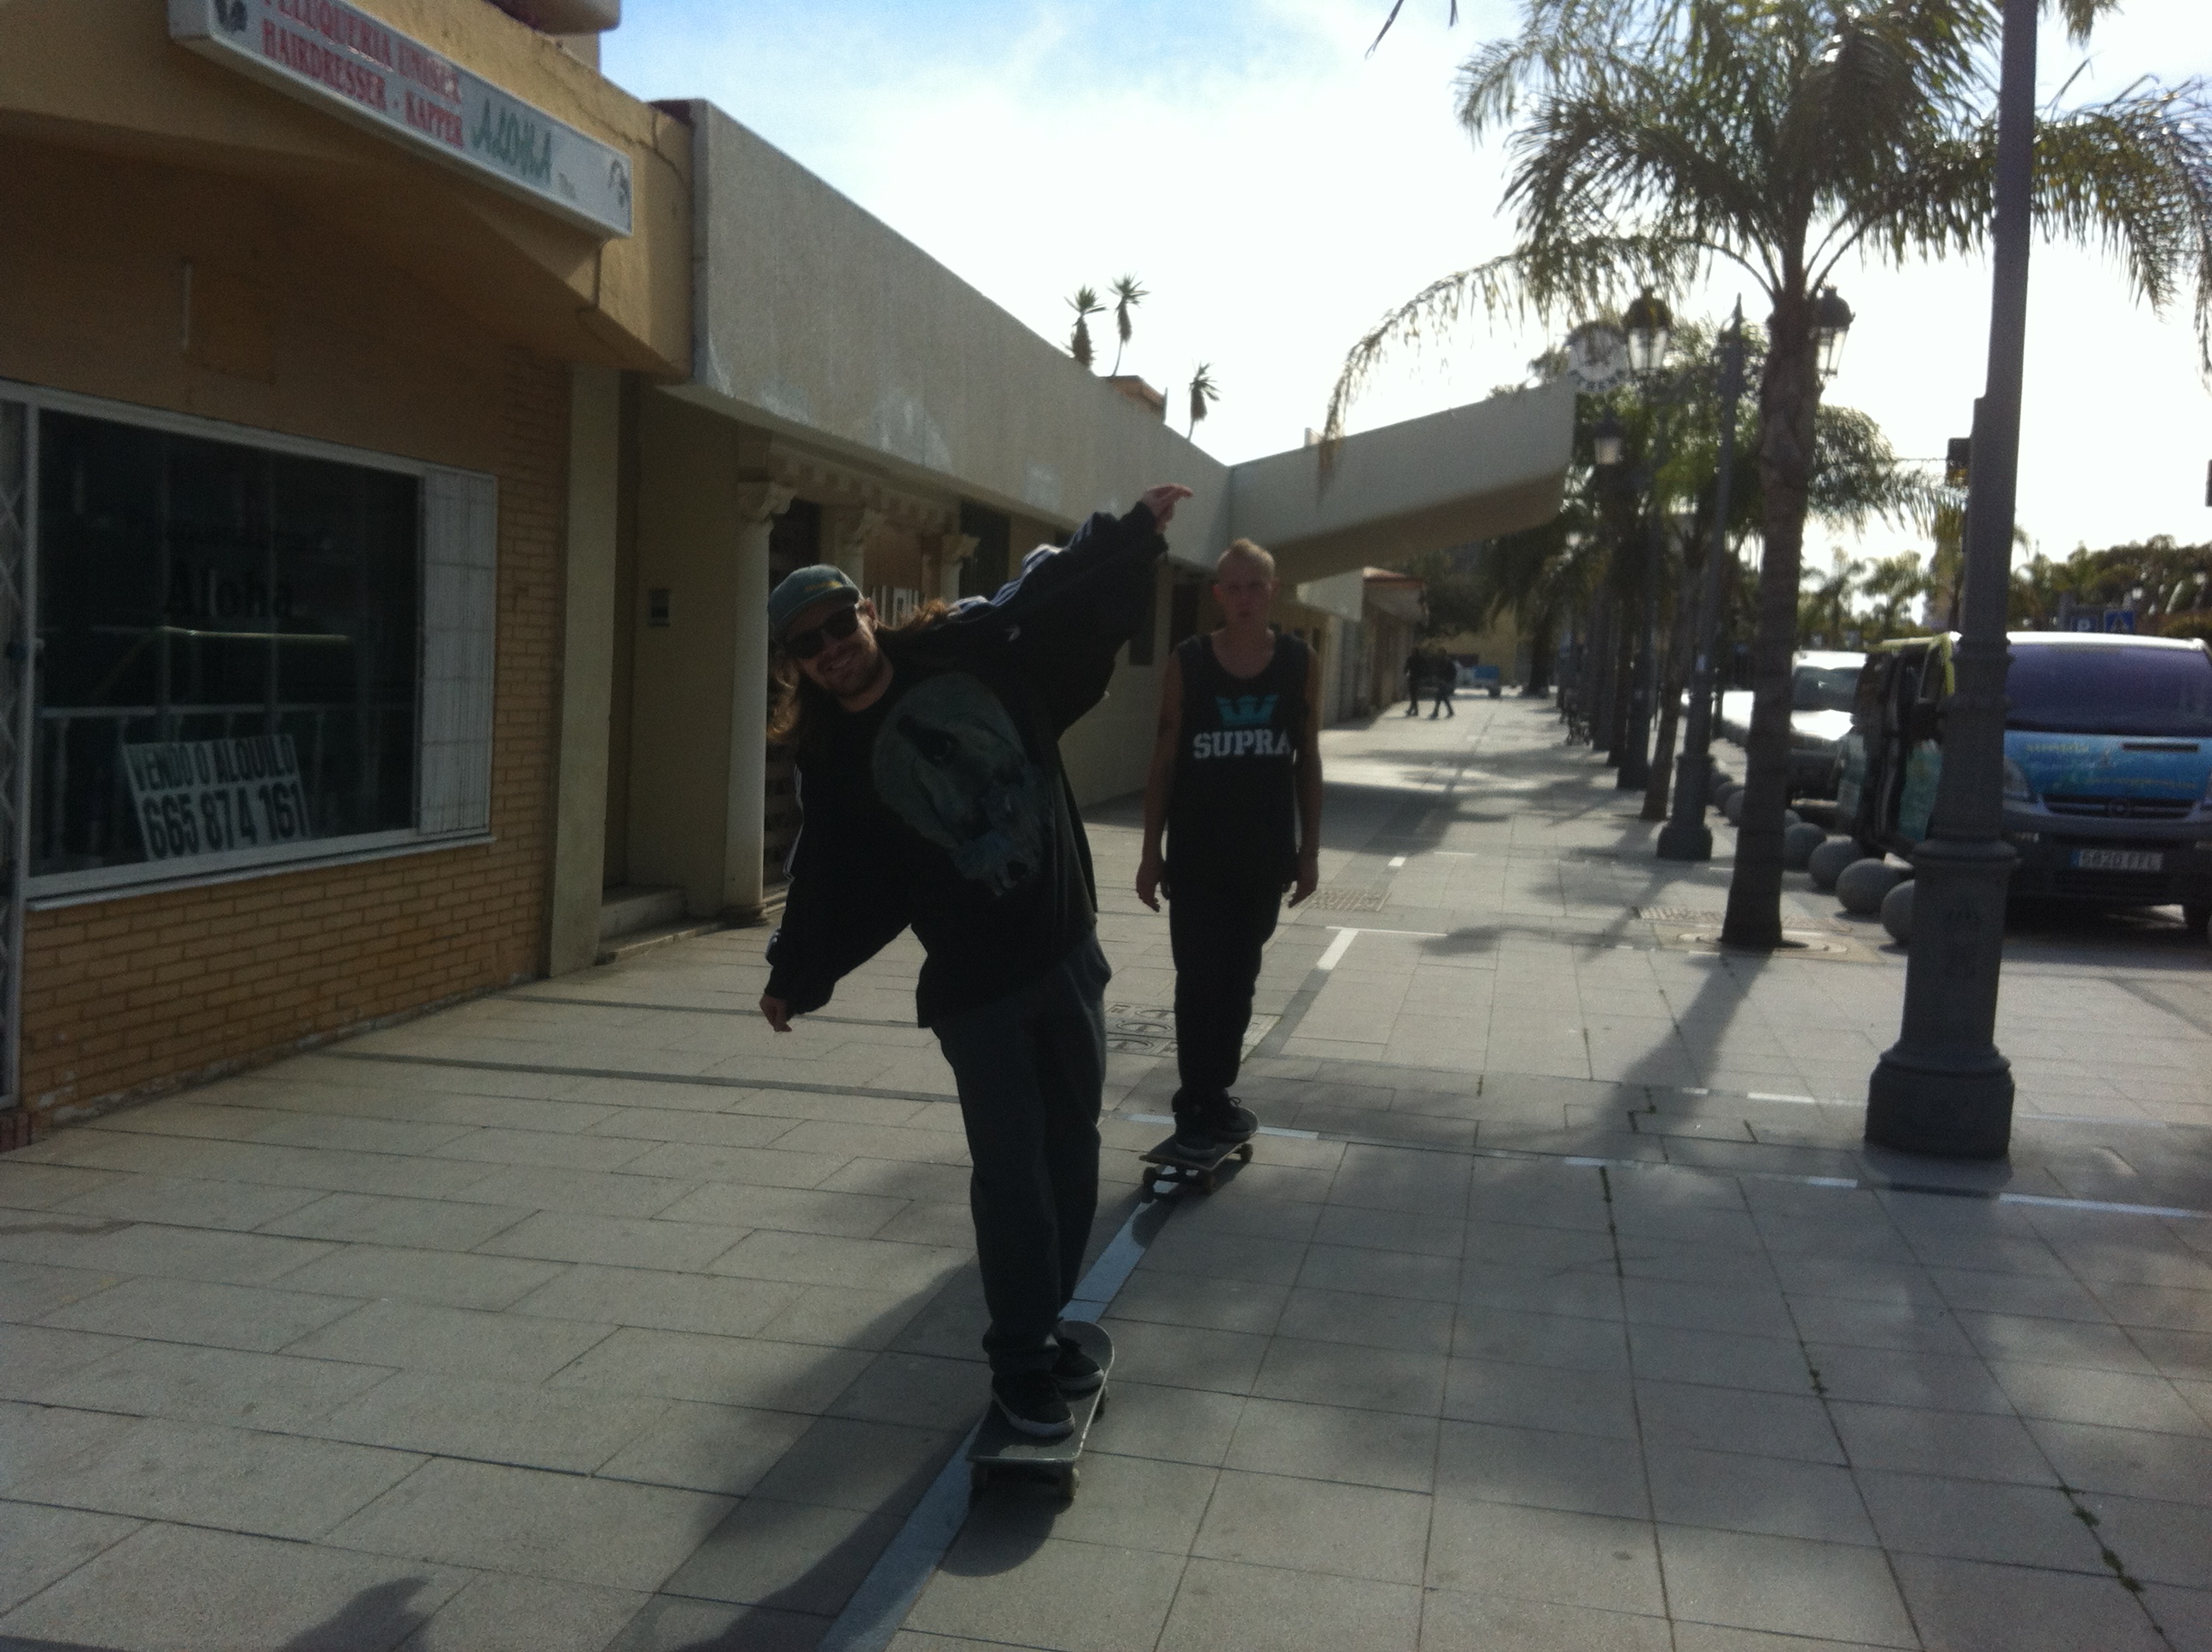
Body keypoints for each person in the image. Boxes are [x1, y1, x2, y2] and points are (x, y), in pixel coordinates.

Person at [758, 482, 1193, 1441]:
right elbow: (827, 873)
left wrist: (1128, 535)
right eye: (809, 644)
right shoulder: (833, 761)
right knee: (1013, 1180)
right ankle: (1019, 1363)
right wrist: (794, 969)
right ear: (797, 662)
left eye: (839, 624)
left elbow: (1051, 594)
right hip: (976, 994)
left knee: (1072, 1161)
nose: (832, 649)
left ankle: (1040, 1327)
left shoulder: (969, 647)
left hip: (1067, 953)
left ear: (866, 613)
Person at [1134, 538, 1323, 1161]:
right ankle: (1195, 1099)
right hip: (1197, 854)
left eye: (1255, 586)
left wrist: (1309, 852)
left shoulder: (1299, 661)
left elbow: (1308, 760)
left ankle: (1214, 1092)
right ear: (1218, 595)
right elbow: (1163, 755)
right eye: (1232, 588)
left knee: (1239, 977)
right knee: (1198, 979)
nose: (1244, 598)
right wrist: (1149, 851)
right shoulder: (1189, 660)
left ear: (1273, 590)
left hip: (1263, 854)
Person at [1429, 653, 1456, 719]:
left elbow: (1445, 672)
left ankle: (1436, 712)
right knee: (1443, 697)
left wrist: (1445, 680)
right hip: (1443, 681)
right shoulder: (1446, 661)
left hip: (1444, 682)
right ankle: (1449, 711)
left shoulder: (1446, 662)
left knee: (1440, 696)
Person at [1404, 649, 1424, 716]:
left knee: (1413, 695)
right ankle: (1413, 710)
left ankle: (1415, 710)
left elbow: (1406, 667)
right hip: (1418, 678)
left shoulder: (1410, 659)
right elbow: (1425, 668)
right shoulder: (1421, 659)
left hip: (1412, 677)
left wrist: (1406, 673)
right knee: (1415, 695)